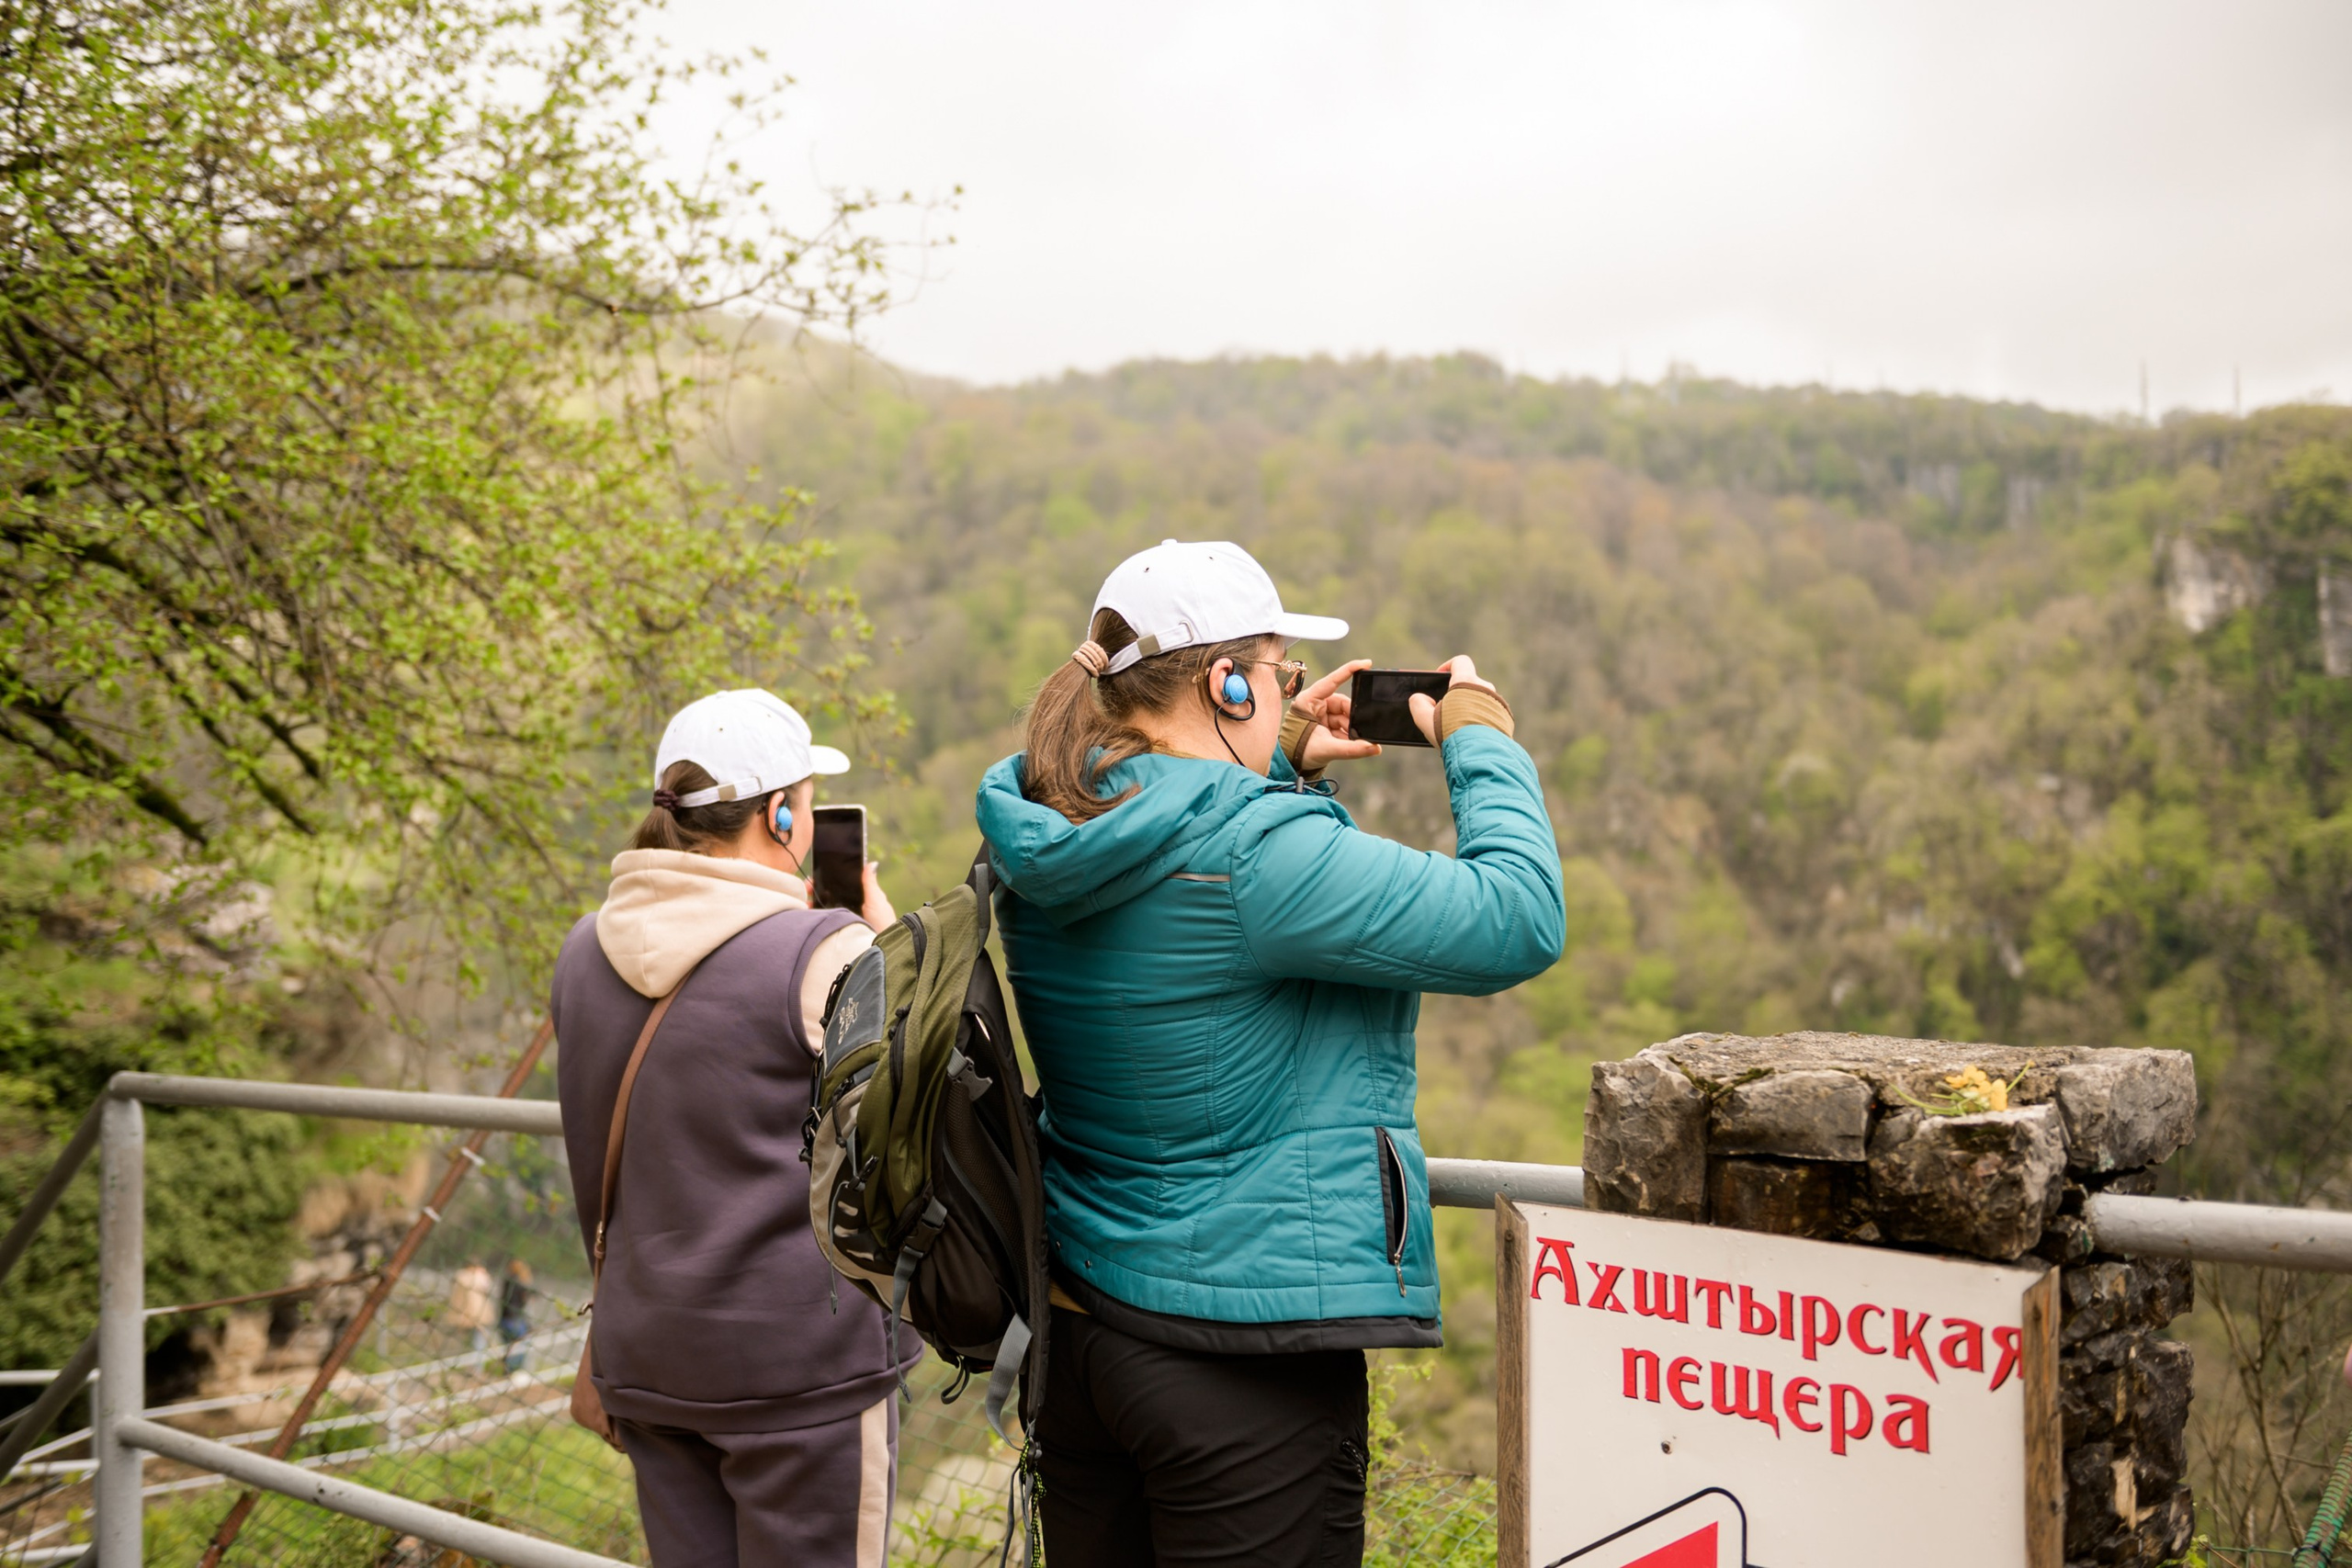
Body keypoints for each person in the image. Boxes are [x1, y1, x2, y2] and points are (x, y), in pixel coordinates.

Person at [976, 539, 1566, 1566]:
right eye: (1279, 673)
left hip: (1080, 1331)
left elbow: (1176, 873)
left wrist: (1278, 757)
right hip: (1240, 1365)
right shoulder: (1261, 855)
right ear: (1226, 683)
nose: (1291, 689)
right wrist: (1481, 739)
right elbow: (1517, 918)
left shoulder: (1045, 817)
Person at [551, 688, 917, 1568]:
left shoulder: (583, 949)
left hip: (651, 1360)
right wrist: (891, 951)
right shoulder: (823, 951)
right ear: (780, 814)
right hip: (804, 1376)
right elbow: (912, 1121)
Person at [497, 1258, 536, 1374]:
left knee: (509, 1347)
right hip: (515, 1319)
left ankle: (508, 1370)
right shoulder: (519, 1283)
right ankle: (515, 1370)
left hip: (505, 1318)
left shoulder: (506, 1281)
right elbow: (531, 1292)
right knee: (521, 1346)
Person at [449, 1258, 494, 1355]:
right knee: (478, 1344)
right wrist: (481, 1274)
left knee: (470, 1343)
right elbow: (486, 1285)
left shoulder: (460, 1277)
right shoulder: (475, 1278)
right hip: (477, 1315)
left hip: (464, 1316)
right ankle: (477, 1362)